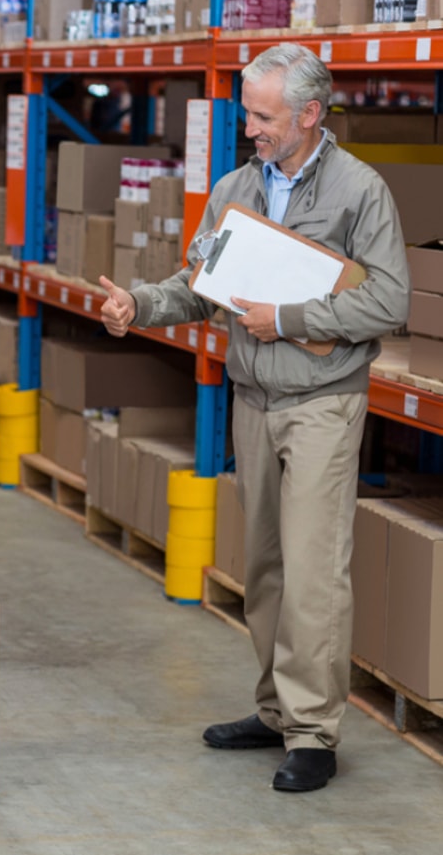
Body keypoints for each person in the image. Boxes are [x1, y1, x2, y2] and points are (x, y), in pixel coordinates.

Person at [98, 44, 410, 793]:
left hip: (322, 402)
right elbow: (203, 284)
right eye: (248, 112)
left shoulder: (359, 192)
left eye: (264, 116)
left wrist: (292, 316)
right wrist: (138, 305)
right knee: (265, 567)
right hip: (253, 398)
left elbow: (388, 302)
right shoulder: (239, 187)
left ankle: (314, 731)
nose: (251, 128)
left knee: (312, 573)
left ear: (309, 113)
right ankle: (274, 709)